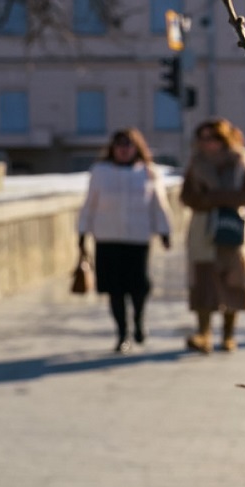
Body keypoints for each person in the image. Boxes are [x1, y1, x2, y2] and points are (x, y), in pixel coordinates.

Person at [77, 128, 172, 353]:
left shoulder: (147, 172)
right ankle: (122, 332)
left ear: (136, 148)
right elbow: (89, 204)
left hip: (137, 238)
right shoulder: (100, 172)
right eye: (119, 144)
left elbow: (159, 204)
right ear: (112, 148)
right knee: (114, 289)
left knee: (139, 286)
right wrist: (82, 234)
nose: (123, 149)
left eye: (128, 144)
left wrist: (165, 232)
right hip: (107, 238)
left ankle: (138, 320)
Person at [180, 118, 245, 353]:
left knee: (234, 279)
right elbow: (187, 197)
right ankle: (204, 334)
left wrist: (213, 197)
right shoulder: (196, 163)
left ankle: (228, 335)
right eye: (203, 138)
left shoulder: (240, 160)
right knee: (203, 281)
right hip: (203, 229)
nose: (208, 143)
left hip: (232, 226)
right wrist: (217, 198)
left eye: (213, 137)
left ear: (222, 138)